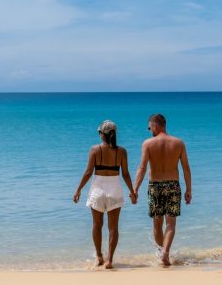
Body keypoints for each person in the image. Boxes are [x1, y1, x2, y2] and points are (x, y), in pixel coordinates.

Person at [73, 120, 137, 269]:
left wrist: (78, 190)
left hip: (97, 190)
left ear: (102, 134)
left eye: (99, 132)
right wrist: (132, 192)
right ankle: (110, 259)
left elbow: (89, 172)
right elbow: (126, 174)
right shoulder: (122, 151)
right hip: (114, 189)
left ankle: (99, 256)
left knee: (97, 225)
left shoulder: (95, 149)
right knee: (113, 227)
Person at [134, 113, 192, 266]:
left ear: (156, 125)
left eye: (149, 127)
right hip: (173, 185)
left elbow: (142, 168)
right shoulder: (179, 143)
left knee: (157, 224)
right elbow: (186, 168)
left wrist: (135, 189)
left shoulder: (147, 143)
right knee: (171, 224)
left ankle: (162, 253)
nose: (149, 130)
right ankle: (165, 253)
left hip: (155, 186)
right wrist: (189, 190)